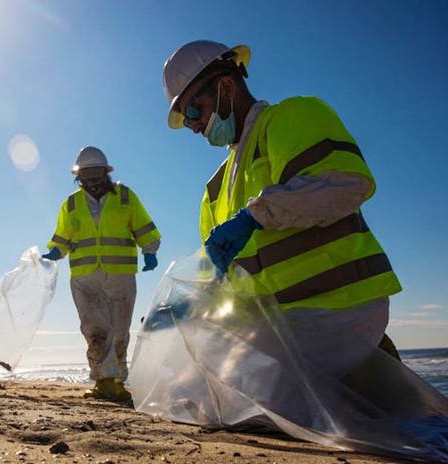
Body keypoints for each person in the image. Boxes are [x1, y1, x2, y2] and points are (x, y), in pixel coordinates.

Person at [161, 40, 402, 363]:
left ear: (227, 87)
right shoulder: (215, 189)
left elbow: (345, 184)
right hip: (278, 334)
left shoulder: (293, 116)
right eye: (187, 121)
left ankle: (375, 367)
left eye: (193, 111)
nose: (194, 127)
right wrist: (186, 304)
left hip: (343, 311)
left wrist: (254, 216)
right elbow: (216, 276)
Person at [42, 146, 162, 402]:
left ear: (106, 173)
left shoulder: (125, 197)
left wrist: (149, 249)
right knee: (96, 330)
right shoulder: (72, 203)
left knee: (119, 331)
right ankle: (103, 382)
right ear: (79, 177)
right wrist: (54, 251)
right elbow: (62, 236)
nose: (92, 182)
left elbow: (143, 226)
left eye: (96, 175)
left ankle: (117, 382)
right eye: (86, 176)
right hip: (85, 278)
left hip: (120, 276)